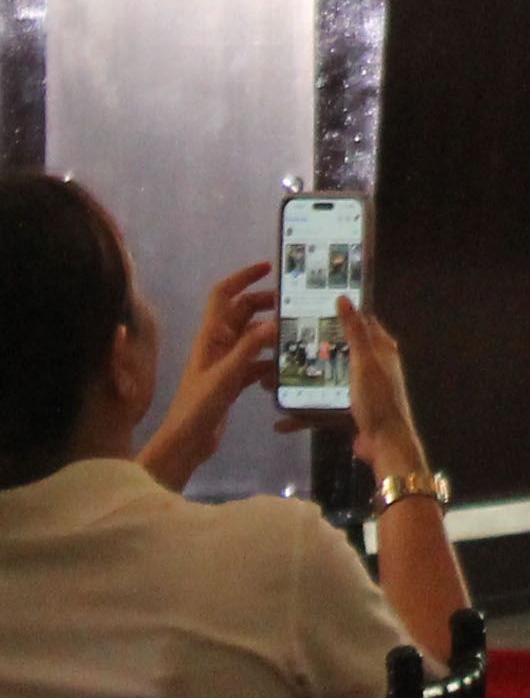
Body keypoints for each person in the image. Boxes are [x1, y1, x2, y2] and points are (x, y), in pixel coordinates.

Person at [0, 173, 470, 697]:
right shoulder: (276, 566)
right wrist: (393, 443)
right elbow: (445, 682)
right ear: (119, 363)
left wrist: (181, 441)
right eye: (135, 291)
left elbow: (79, 555)